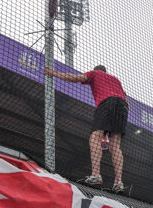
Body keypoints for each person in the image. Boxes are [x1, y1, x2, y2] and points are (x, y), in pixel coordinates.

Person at [44, 64, 129, 192]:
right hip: (122, 108)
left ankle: (95, 175)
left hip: (107, 103)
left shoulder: (95, 74)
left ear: (96, 71)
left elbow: (76, 78)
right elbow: (127, 102)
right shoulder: (116, 80)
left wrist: (54, 73)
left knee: (95, 137)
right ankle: (118, 183)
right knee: (115, 146)